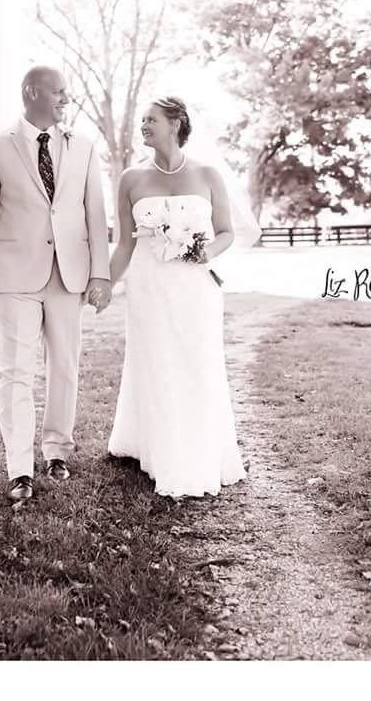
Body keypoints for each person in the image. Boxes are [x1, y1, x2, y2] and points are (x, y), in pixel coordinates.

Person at [0, 66, 111, 503]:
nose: (66, 99)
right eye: (58, 92)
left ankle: (57, 451)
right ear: (32, 93)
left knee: (64, 365)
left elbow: (94, 213)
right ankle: (18, 469)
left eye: (67, 92)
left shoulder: (83, 147)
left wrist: (100, 272)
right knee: (15, 369)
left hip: (69, 274)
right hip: (14, 277)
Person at [107, 96, 255, 498]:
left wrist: (204, 250)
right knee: (156, 363)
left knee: (196, 364)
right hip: (148, 289)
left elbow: (226, 231)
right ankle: (158, 448)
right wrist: (102, 282)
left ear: (176, 124)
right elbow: (124, 245)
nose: (143, 125)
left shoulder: (208, 175)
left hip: (195, 289)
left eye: (151, 119)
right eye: (141, 120)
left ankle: (200, 448)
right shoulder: (131, 180)